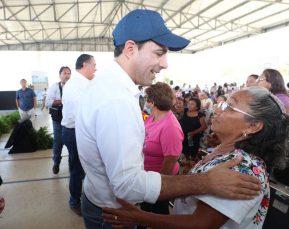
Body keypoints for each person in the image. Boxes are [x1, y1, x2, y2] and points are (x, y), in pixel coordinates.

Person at [75, 9, 261, 228]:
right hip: (112, 213)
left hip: (98, 199)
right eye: (158, 52)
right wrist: (204, 182)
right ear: (130, 49)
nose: (165, 63)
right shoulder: (117, 100)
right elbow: (127, 184)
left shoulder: (106, 85)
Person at [103, 86, 289, 229]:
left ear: (253, 126)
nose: (218, 109)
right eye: (223, 103)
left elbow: (201, 224)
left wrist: (139, 217)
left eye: (230, 107)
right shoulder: (222, 151)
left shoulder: (243, 167)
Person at [139, 82, 183, 224]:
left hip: (159, 178)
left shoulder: (170, 126)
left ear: (152, 102)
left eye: (146, 98)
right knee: (145, 209)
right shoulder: (153, 117)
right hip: (147, 175)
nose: (145, 102)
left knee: (159, 213)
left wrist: (160, 185)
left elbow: (171, 158)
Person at [61, 54, 96, 216]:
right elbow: (82, 114)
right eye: (93, 65)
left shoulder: (74, 83)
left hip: (71, 131)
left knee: (77, 167)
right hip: (76, 132)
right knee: (78, 169)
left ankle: (78, 198)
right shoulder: (80, 85)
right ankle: (75, 201)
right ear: (84, 65)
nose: (95, 69)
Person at [45, 66, 71, 174]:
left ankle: (72, 164)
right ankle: (56, 163)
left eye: (69, 73)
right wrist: (63, 101)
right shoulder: (54, 87)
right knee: (58, 142)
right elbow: (48, 103)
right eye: (65, 73)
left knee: (72, 143)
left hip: (70, 120)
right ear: (60, 75)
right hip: (58, 120)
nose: (67, 75)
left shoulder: (74, 86)